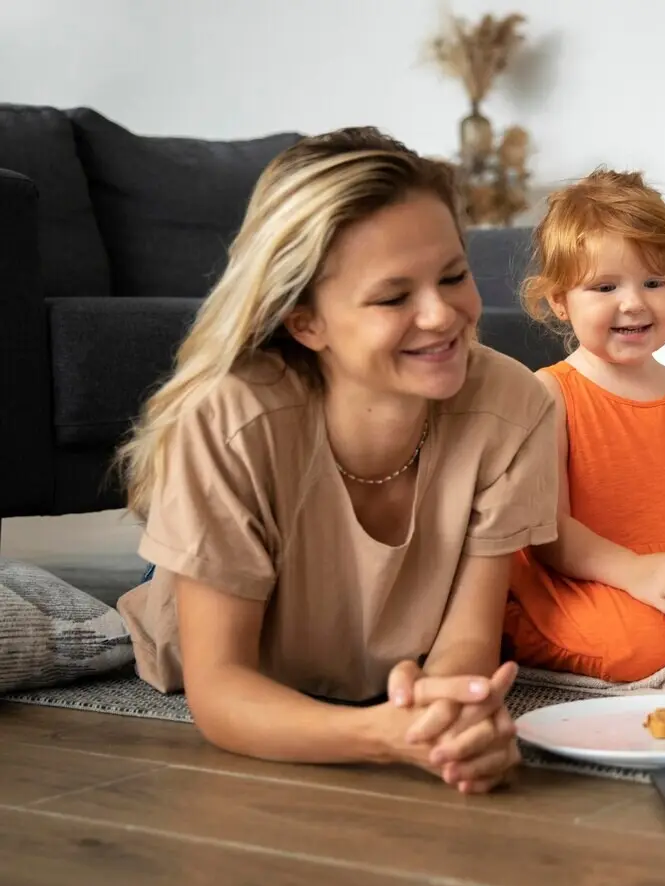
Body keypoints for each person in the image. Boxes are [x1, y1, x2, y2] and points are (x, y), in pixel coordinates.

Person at [114, 127, 560, 793]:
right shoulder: (231, 421)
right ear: (306, 322)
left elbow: (468, 638)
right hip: (238, 622)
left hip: (377, 650)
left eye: (453, 276)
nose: (441, 315)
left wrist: (449, 711)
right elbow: (221, 689)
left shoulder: (516, 405)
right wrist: (384, 736)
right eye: (392, 297)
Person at [502, 168, 665, 682]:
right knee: (640, 642)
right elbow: (547, 530)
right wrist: (633, 571)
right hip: (589, 579)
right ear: (559, 300)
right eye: (605, 286)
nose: (634, 302)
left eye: (655, 282)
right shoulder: (552, 394)